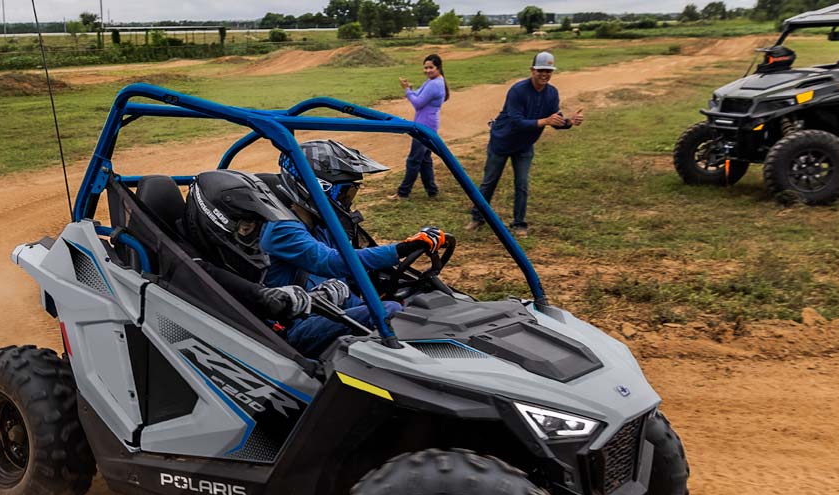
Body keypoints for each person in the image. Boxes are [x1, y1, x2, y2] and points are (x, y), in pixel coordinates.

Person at [184, 170, 450, 356]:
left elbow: (342, 260)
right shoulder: (281, 231)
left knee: (413, 307)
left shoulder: (315, 224)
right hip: (291, 330)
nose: (346, 202)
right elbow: (331, 261)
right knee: (391, 313)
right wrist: (402, 249)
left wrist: (331, 294)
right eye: (343, 194)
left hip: (318, 309)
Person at [470, 51, 583, 231]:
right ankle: (477, 218)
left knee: (522, 184)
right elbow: (517, 122)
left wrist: (570, 121)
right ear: (532, 70)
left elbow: (555, 120)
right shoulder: (518, 90)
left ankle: (519, 223)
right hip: (502, 142)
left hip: (524, 146)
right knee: (489, 181)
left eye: (548, 71)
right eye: (540, 70)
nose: (544, 74)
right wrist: (545, 121)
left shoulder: (552, 93)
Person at [395, 54, 447, 198]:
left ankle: (403, 192)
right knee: (424, 160)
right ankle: (432, 190)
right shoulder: (433, 81)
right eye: (425, 68)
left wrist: (407, 91)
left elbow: (418, 103)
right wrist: (410, 89)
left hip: (425, 125)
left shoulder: (434, 84)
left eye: (431, 67)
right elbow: (418, 95)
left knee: (414, 160)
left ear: (438, 67)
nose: (427, 70)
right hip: (427, 123)